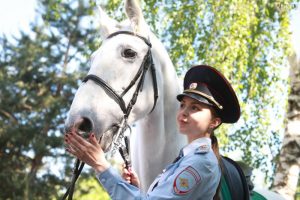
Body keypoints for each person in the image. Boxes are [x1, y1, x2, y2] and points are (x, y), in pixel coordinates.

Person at [64, 64, 241, 199]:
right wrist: (136, 189)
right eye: (182, 105)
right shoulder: (188, 158)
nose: (183, 113)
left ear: (214, 122)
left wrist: (101, 166)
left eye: (195, 108)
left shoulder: (201, 163)